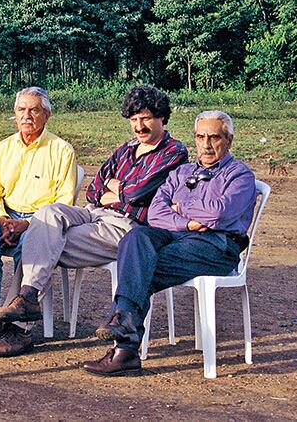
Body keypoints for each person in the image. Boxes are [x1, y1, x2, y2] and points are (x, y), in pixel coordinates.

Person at [0, 85, 188, 357]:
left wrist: (117, 189)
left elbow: (138, 192)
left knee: (42, 239)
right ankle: (27, 299)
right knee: (47, 218)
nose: (139, 126)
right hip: (94, 212)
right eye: (134, 120)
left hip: (127, 228)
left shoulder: (173, 152)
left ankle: (21, 325)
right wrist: (119, 190)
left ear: (162, 117)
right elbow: (95, 188)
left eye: (146, 118)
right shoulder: (126, 149)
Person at [82, 111, 256, 376]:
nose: (206, 145)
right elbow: (155, 213)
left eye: (214, 138)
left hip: (216, 246)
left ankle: (125, 346)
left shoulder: (240, 175)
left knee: (139, 268)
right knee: (137, 237)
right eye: (200, 137)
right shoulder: (181, 173)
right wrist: (187, 222)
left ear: (228, 140)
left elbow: (220, 213)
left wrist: (181, 205)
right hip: (179, 235)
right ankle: (126, 333)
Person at [0, 87, 78, 340]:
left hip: (40, 220)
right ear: (15, 114)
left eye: (34, 110)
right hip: (4, 216)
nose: (27, 115)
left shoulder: (62, 150)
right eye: (21, 110)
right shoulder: (3, 148)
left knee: (31, 248)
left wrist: (25, 224)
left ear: (47, 115)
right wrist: (3, 220)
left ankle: (19, 322)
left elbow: (64, 202)